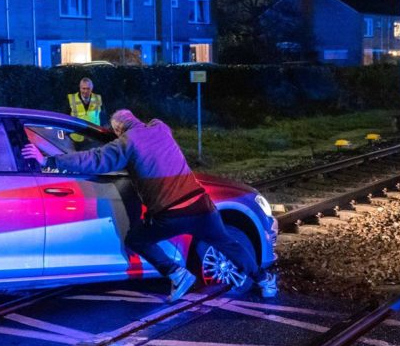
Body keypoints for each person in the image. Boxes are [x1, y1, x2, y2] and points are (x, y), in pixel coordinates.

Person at [22, 109, 277, 302]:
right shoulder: (160, 128)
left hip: (172, 213)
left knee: (137, 239)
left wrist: (50, 160)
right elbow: (149, 132)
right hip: (202, 205)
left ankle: (177, 274)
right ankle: (266, 281)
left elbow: (95, 159)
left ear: (118, 130)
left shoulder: (126, 143)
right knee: (228, 244)